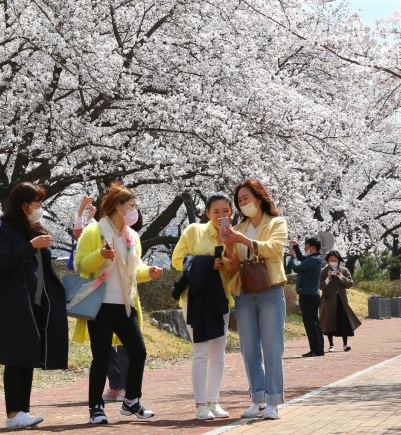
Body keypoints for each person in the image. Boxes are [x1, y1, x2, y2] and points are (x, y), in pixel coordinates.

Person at [0, 182, 68, 430]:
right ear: (24, 204)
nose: (40, 208)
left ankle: (23, 411)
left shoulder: (33, 228)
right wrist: (30, 246)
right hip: (12, 301)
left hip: (34, 301)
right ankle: (13, 412)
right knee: (15, 357)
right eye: (37, 203)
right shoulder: (1, 229)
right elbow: (2, 262)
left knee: (27, 356)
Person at [74, 182, 163, 425]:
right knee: (100, 358)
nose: (135, 210)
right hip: (100, 305)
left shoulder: (132, 236)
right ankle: (96, 408)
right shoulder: (94, 232)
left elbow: (135, 269)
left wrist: (149, 271)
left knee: (139, 352)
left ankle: (131, 400)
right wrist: (100, 255)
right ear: (117, 206)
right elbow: (80, 264)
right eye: (131, 206)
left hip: (126, 305)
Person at [220, 177, 288, 421]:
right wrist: (228, 249)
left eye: (246, 198)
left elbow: (274, 248)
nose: (242, 203)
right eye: (239, 200)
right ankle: (257, 399)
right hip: (245, 292)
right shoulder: (236, 229)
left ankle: (273, 401)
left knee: (272, 348)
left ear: (259, 198)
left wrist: (244, 241)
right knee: (249, 349)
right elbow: (233, 266)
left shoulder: (277, 223)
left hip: (270, 289)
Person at [171, 192, 234, 421]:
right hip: (195, 299)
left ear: (231, 213)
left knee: (219, 353)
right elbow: (177, 260)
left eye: (225, 211)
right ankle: (200, 404)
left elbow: (236, 269)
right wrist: (208, 263)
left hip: (221, 298)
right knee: (201, 351)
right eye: (216, 211)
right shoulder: (194, 231)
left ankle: (213, 401)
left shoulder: (234, 236)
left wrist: (229, 251)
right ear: (207, 213)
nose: (221, 216)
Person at [69, 195, 127, 403]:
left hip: (123, 301)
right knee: (105, 352)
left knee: (128, 348)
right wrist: (81, 211)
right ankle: (114, 388)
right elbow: (79, 236)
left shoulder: (127, 234)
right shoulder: (96, 231)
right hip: (100, 298)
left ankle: (125, 389)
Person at [287, 237, 325, 357]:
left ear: (312, 248)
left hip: (308, 295)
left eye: (306, 246)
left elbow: (297, 267)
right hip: (311, 295)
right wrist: (296, 247)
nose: (304, 248)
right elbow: (302, 258)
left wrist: (292, 257)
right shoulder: (315, 258)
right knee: (314, 322)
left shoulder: (313, 260)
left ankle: (316, 349)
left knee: (310, 323)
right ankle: (319, 348)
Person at [318, 250, 361, 352]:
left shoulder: (344, 270)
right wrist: (328, 278)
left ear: (339, 260)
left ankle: (345, 344)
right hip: (328, 300)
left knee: (343, 322)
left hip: (341, 300)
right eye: (331, 260)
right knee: (329, 322)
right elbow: (320, 285)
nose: (333, 262)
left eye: (335, 260)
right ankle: (331, 345)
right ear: (328, 260)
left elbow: (350, 284)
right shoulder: (324, 271)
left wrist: (340, 276)